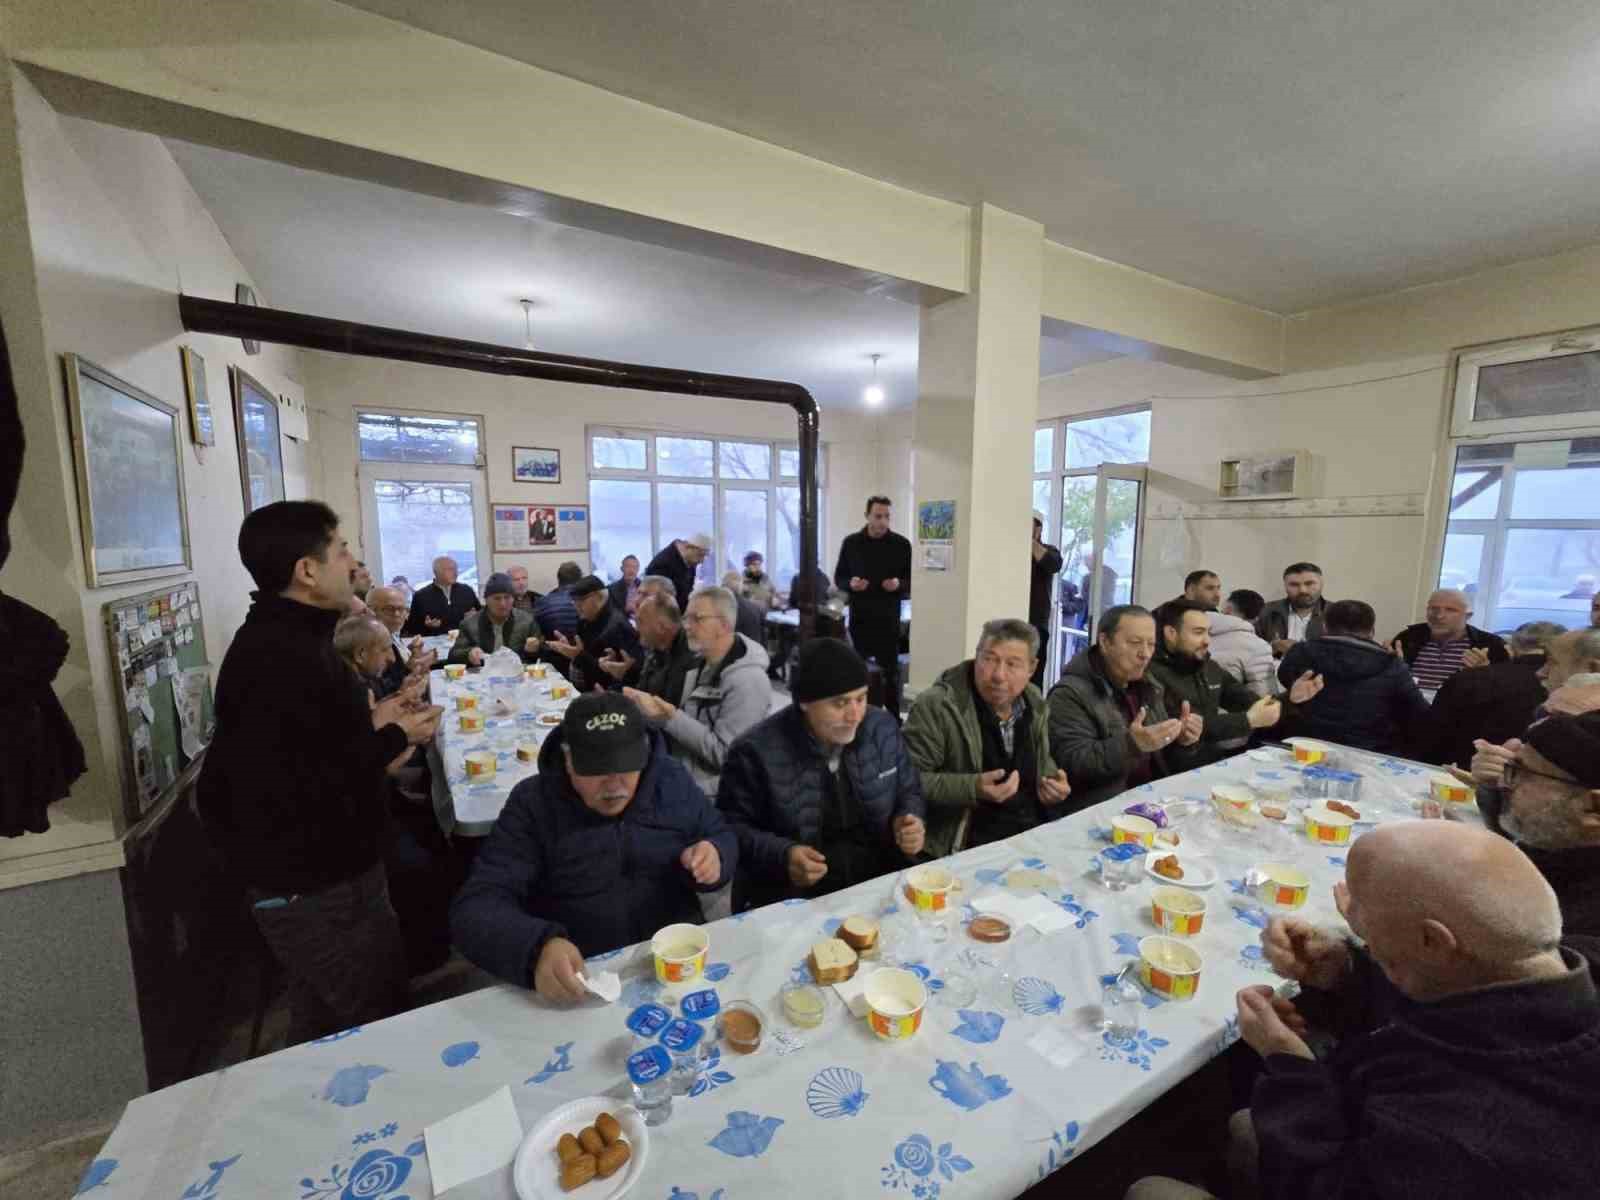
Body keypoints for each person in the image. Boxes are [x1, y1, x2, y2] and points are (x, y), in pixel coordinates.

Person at [1129, 820, 1600, 1200]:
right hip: (1375, 1139)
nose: (1347, 913)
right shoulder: (1548, 964)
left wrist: (1286, 1059)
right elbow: (1447, 1008)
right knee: (1244, 1125)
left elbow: (1325, 1182)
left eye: (1358, 908)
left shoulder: (1466, 1136)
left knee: (1149, 1190)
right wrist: (1347, 974)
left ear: (1433, 940)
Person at [198, 501, 442, 1045]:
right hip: (316, 885)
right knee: (368, 1025)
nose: (353, 563)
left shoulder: (290, 639)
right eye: (341, 550)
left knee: (327, 1022)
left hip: (322, 874)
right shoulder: (285, 656)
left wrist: (379, 717)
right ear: (306, 571)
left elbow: (312, 747)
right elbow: (326, 778)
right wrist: (404, 733)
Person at [449, 693, 737, 1001]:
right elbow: (476, 907)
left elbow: (719, 831)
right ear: (568, 758)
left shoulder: (671, 780)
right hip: (582, 976)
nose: (613, 785)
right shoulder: (533, 804)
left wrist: (716, 853)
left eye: (626, 767)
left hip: (673, 960)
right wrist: (536, 948)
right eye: (596, 770)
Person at [718, 638, 925, 911]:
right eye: (840, 704)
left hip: (880, 883)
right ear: (805, 702)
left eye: (861, 699)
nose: (855, 715)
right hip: (796, 898)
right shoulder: (754, 752)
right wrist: (783, 855)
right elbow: (729, 828)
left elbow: (908, 789)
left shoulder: (882, 728)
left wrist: (910, 820)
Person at [903, 619, 1070, 856]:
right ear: (976, 657)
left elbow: (1042, 763)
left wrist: (1053, 786)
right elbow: (908, 781)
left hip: (1029, 833)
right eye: (990, 660)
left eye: (1012, 664)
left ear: (1032, 669)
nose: (999, 675)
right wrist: (973, 787)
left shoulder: (1033, 700)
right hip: (965, 843)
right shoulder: (938, 706)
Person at [1047, 605, 1201, 812]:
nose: (1145, 654)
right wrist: (1132, 745)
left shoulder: (1149, 685)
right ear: (1105, 642)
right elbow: (1073, 764)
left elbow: (1161, 756)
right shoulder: (1069, 693)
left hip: (1152, 798)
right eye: (1135, 643)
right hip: (1102, 809)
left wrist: (1183, 740)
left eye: (1151, 645)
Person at [623, 587, 771, 796]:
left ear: (724, 625)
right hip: (682, 771)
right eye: (686, 618)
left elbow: (727, 756)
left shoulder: (748, 681)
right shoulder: (700, 664)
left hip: (713, 793)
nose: (687, 627)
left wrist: (670, 717)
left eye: (697, 619)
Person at [1146, 600, 1320, 762]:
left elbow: (1249, 702)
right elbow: (1180, 727)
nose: (1207, 640)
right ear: (1171, 633)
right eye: (1198, 633)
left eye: (1208, 632)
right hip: (1167, 771)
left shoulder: (1208, 666)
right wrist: (1248, 720)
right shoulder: (1149, 672)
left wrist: (1290, 699)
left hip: (1208, 763)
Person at [1495, 712, 1600, 937]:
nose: (1503, 782)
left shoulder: (1580, 937)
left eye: (1522, 772)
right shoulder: (1556, 846)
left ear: (1594, 809)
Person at [1277, 599, 1428, 753]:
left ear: (1324, 626)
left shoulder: (1300, 652)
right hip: (1371, 751)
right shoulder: (1391, 664)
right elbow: (1419, 713)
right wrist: (1402, 669)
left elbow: (1285, 685)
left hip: (1306, 746)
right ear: (1372, 631)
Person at [1412, 620, 1564, 768]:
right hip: (1530, 778)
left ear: (1510, 650)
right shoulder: (1565, 689)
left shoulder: (1468, 679)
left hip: (1460, 773)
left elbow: (1432, 735)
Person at [834, 495, 913, 720]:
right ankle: (859, 715)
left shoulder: (901, 544)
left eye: (887, 516)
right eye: (878, 516)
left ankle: (894, 717)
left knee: (891, 672)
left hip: (888, 619)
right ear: (867, 516)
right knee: (860, 671)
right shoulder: (851, 543)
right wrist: (851, 584)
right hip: (860, 618)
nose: (883, 522)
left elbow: (913, 580)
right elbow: (840, 577)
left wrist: (899, 584)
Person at [1390, 587, 1508, 690]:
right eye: (1434, 608)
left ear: (1468, 616)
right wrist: (1386, 666)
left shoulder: (1490, 645)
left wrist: (1485, 673)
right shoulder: (1407, 638)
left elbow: (1505, 693)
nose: (1439, 616)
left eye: (1450, 610)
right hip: (1409, 710)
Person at [547, 575, 641, 691]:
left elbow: (607, 675)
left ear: (599, 597)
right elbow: (584, 653)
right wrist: (570, 648)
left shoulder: (617, 627)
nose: (577, 606)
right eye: (574, 601)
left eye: (581, 600)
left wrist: (577, 655)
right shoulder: (586, 619)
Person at [448, 572, 544, 666]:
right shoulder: (469, 624)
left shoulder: (527, 621)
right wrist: (468, 654)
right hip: (484, 674)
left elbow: (542, 654)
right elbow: (453, 656)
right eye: (497, 598)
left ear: (513, 599)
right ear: (486, 600)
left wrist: (534, 650)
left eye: (507, 597)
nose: (502, 603)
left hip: (517, 674)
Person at [628, 591, 697, 703]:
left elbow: (669, 710)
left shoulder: (689, 660)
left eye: (640, 621)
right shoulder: (656, 648)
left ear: (661, 627)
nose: (637, 628)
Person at [1208, 588, 1278, 697]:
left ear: (1227, 609)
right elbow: (1263, 696)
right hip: (1226, 711)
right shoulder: (1258, 647)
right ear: (1256, 619)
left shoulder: (1190, 631)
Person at [366, 585, 435, 693]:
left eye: (402, 609)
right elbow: (386, 690)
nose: (397, 614)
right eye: (389, 609)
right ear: (370, 611)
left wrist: (414, 659)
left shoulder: (394, 635)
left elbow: (400, 675)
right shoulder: (370, 644)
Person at [1255, 561, 1327, 658]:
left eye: (1309, 583)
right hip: (1274, 671)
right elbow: (1249, 651)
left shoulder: (1337, 613)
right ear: (1285, 586)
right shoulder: (1265, 611)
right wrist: (1272, 648)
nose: (1302, 590)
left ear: (1321, 584)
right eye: (1294, 585)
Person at [1028, 513, 1064, 688]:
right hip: (1012, 621)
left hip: (1037, 624)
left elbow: (1053, 564)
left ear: (1038, 529)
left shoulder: (1049, 550)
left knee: (1034, 676)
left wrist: (1030, 542)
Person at [402, 555, 480, 635]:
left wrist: (475, 617)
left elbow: (483, 617)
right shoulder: (421, 596)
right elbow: (412, 628)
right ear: (436, 572)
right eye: (450, 569)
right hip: (435, 642)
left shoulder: (467, 590)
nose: (455, 573)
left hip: (465, 640)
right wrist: (427, 626)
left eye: (456, 569)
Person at [334, 614, 396, 698]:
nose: (392, 658)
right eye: (384, 650)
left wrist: (403, 691)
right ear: (360, 655)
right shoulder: (348, 694)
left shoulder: (367, 679)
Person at [645, 532, 712, 610]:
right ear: (689, 547)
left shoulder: (690, 562)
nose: (702, 561)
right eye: (700, 555)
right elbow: (659, 602)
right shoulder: (663, 564)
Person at [533, 561, 584, 642]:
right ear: (580, 579)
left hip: (551, 651)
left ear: (559, 579)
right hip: (583, 651)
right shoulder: (586, 601)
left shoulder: (541, 602)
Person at [719, 570, 766, 642]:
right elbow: (763, 635)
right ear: (741, 588)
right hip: (755, 650)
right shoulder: (756, 607)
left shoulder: (722, 610)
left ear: (723, 587)